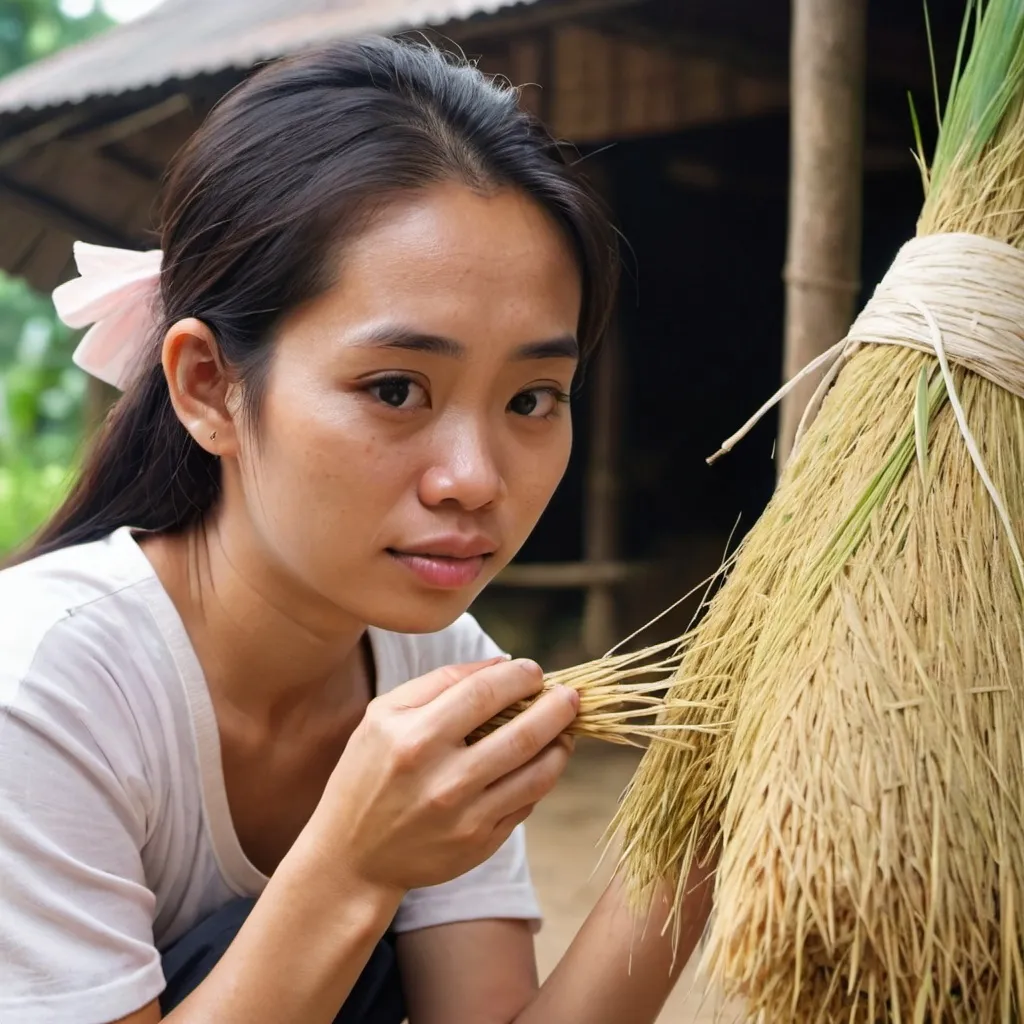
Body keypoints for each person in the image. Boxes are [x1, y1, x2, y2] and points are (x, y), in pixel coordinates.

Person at [0, 36, 712, 1024]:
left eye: (533, 398)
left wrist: (705, 824)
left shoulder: (436, 663)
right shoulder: (41, 686)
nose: (473, 480)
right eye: (394, 389)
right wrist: (355, 862)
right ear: (209, 386)